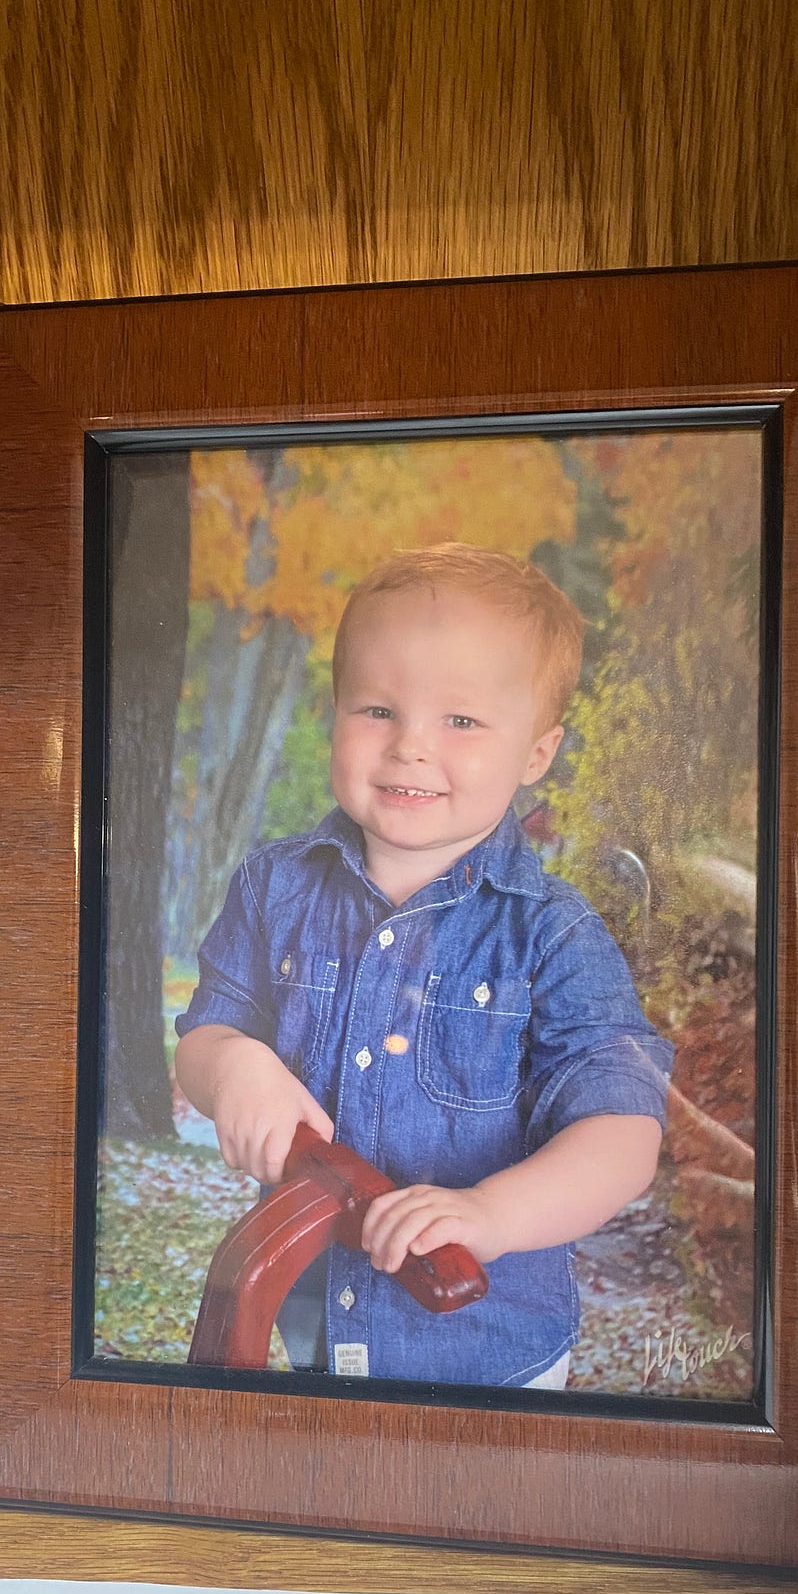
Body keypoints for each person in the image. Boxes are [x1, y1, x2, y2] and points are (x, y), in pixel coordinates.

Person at [174, 544, 672, 1389]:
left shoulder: (551, 936)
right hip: (307, 1322)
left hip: (486, 1353)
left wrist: (491, 1213)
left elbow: (624, 1136)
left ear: (537, 753)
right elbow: (203, 1033)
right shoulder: (275, 885)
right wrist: (236, 1066)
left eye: (462, 721)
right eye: (376, 708)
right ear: (334, 711)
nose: (410, 746)